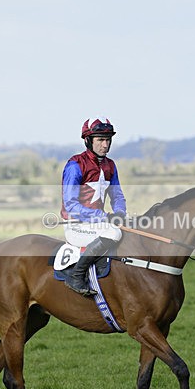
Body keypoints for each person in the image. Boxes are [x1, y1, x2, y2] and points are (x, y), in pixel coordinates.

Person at [60, 116, 127, 295]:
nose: (105, 145)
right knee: (114, 233)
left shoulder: (110, 165)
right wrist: (104, 217)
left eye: (108, 140)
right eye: (100, 140)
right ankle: (76, 276)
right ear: (88, 141)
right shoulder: (75, 166)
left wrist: (119, 213)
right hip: (76, 224)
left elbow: (117, 196)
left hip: (98, 224)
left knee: (126, 232)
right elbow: (71, 205)